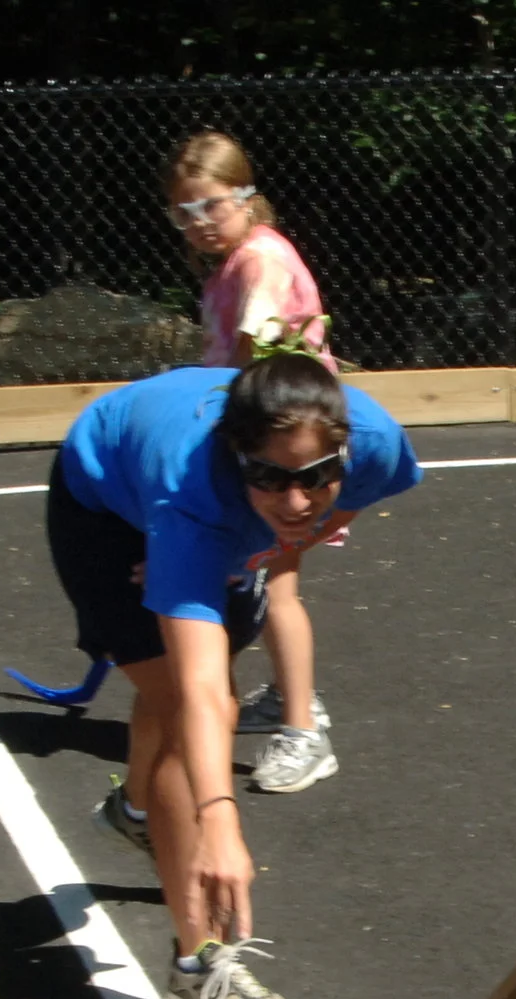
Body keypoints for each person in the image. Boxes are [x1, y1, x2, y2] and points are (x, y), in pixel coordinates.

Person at [50, 352, 420, 999]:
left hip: (215, 519)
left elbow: (356, 496)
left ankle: (138, 810)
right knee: (190, 697)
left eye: (316, 478)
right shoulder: (190, 497)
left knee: (178, 703)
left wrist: (285, 540)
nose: (298, 499)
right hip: (103, 504)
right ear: (236, 455)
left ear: (342, 449)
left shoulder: (371, 443)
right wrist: (220, 822)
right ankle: (196, 967)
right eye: (270, 478)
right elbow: (200, 693)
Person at [165, 129, 339, 794]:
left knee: (278, 585)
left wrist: (217, 435)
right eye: (183, 212)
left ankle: (304, 729)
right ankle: (289, 700)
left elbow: (252, 355)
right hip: (265, 443)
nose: (198, 223)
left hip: (289, 452)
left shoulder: (261, 261)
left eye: (210, 205)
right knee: (266, 580)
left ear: (245, 196)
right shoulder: (234, 262)